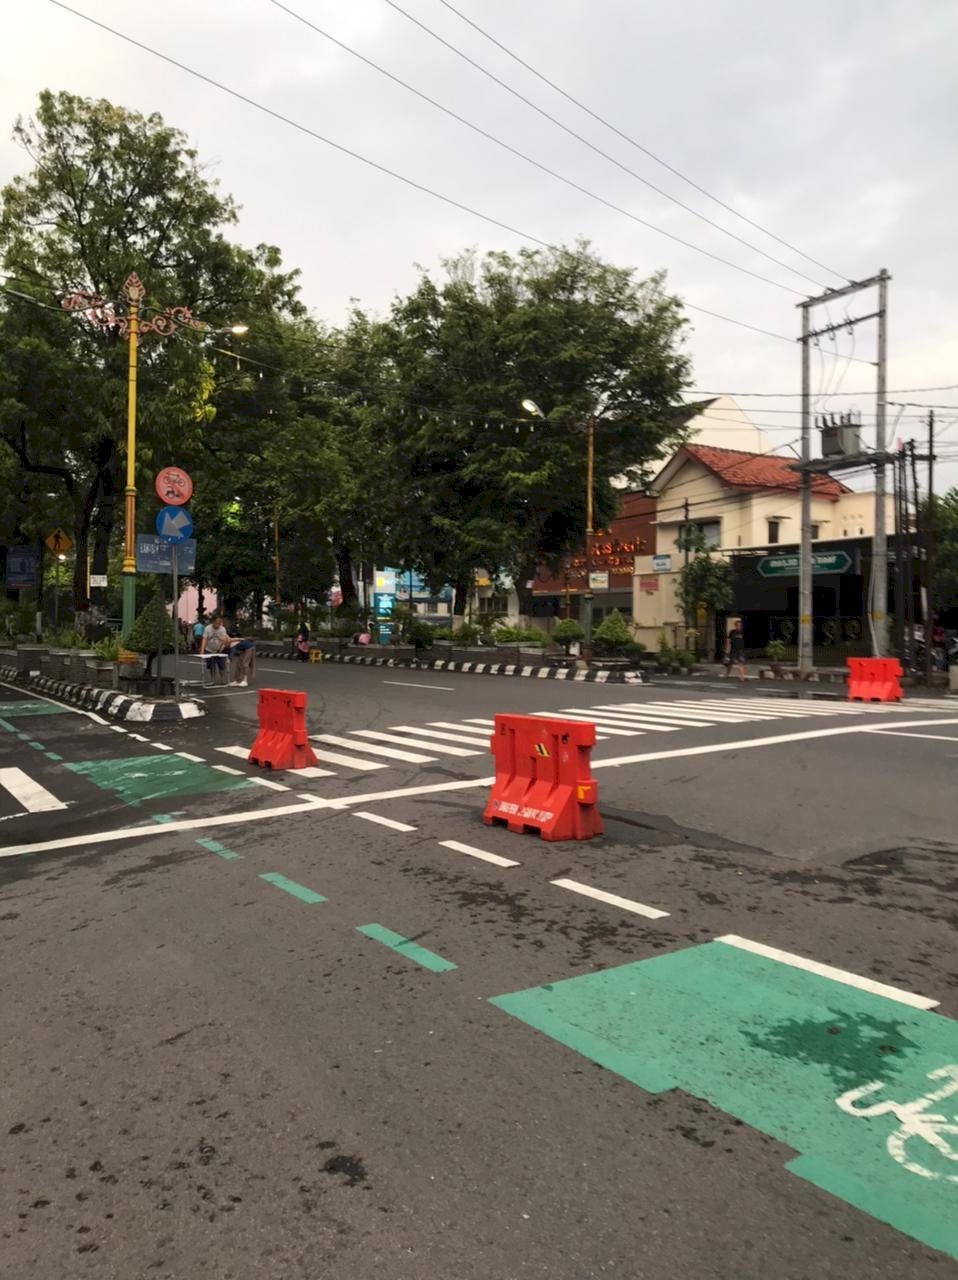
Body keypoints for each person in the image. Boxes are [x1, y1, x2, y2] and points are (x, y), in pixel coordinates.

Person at [200, 614, 231, 685]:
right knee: (211, 666)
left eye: (220, 623)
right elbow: (204, 639)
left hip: (219, 649)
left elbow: (223, 640)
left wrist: (218, 650)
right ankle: (213, 680)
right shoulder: (207, 628)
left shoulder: (222, 629)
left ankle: (222, 680)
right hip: (209, 649)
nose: (218, 624)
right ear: (213, 622)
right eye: (217, 623)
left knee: (221, 665)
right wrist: (202, 650)